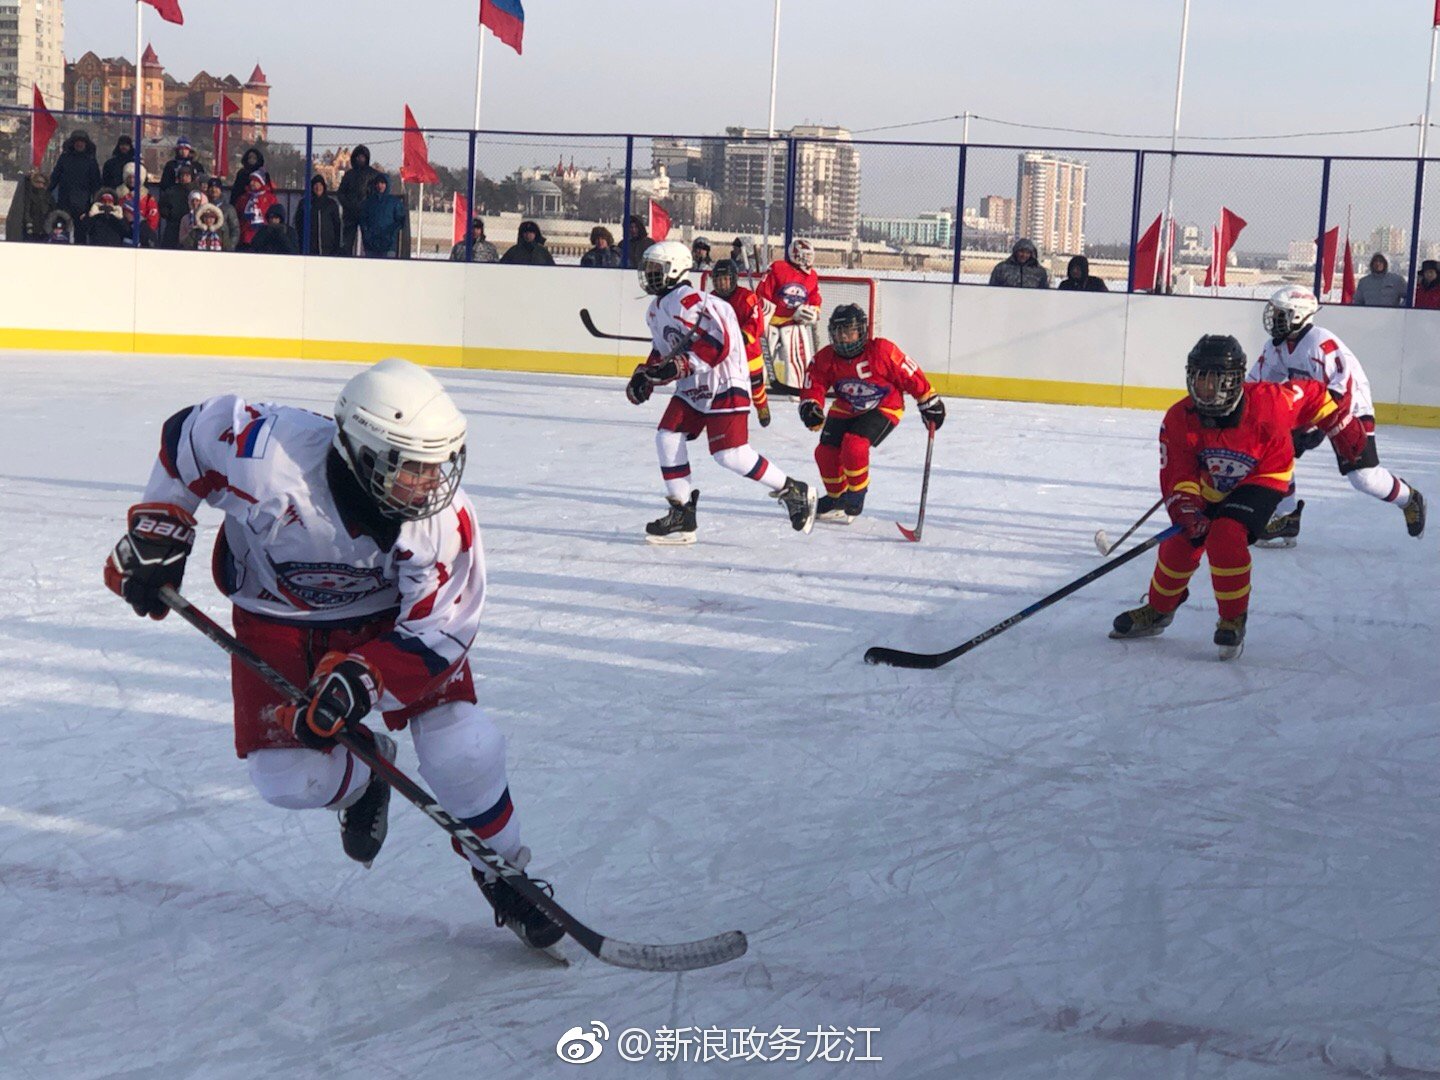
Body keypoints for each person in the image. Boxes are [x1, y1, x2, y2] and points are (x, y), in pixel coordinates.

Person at [101, 358, 566, 952]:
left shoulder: (443, 523)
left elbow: (444, 626)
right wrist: (161, 528)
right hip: (276, 619)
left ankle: (504, 872)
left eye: (439, 466)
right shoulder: (268, 454)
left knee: (464, 747)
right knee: (287, 780)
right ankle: (363, 777)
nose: (432, 485)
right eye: (413, 469)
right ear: (363, 455)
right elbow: (189, 438)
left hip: (386, 624)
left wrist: (368, 677)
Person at [1110, 335, 1370, 659]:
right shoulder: (1179, 418)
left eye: (1216, 381)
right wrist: (1186, 507)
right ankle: (1160, 609)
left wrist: (1342, 427)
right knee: (1180, 540)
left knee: (1226, 534)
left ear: (1235, 382)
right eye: (1200, 379)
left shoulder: (1271, 402)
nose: (1206, 389)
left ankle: (1232, 617)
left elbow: (1316, 396)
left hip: (1263, 475)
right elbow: (1179, 473)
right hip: (1213, 482)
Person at [625, 239, 816, 543]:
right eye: (647, 269)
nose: (648, 275)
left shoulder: (692, 300)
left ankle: (793, 490)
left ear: (674, 269)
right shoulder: (655, 310)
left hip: (725, 380)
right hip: (694, 385)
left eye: (655, 269)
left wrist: (677, 367)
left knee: (730, 455)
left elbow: (719, 341)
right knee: (667, 435)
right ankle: (683, 514)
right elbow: (665, 351)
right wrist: (646, 376)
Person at [1246, 285, 1424, 543]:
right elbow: (1258, 386)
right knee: (1273, 443)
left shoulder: (1320, 343)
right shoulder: (1277, 347)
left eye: (1280, 314)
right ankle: (1286, 517)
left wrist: (1317, 428)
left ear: (1298, 315)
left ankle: (1408, 498)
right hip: (1312, 405)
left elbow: (1343, 391)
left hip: (1349, 408)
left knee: (1363, 477)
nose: (1273, 319)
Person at [799, 304, 945, 523]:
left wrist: (928, 400)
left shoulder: (881, 351)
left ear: (862, 331)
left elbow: (909, 374)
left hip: (884, 405)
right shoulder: (825, 357)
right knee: (824, 452)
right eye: (838, 333)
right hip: (847, 405)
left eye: (849, 331)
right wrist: (811, 405)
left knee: (854, 445)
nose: (843, 338)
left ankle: (856, 493)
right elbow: (814, 383)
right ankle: (837, 497)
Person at [708, 258, 770, 427]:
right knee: (720, 384)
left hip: (749, 351)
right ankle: (719, 412)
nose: (722, 284)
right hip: (724, 352)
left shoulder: (747, 297)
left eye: (725, 279)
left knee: (756, 385)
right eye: (718, 280)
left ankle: (762, 405)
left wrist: (744, 335)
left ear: (733, 279)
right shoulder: (711, 299)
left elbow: (756, 321)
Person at [756, 237, 823, 390]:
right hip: (771, 322)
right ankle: (753, 388)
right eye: (804, 255)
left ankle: (798, 388)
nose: (807, 260)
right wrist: (763, 321)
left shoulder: (811, 276)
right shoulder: (778, 268)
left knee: (798, 356)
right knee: (759, 357)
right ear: (794, 254)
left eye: (809, 256)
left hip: (792, 322)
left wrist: (814, 310)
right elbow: (762, 294)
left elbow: (814, 297)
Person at [47, 130, 102, 227]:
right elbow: (55, 177)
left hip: (83, 204)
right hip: (64, 201)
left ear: (86, 144)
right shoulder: (64, 158)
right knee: (62, 229)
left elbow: (95, 183)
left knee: (80, 232)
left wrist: (96, 201)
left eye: (82, 142)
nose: (79, 144)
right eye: (77, 142)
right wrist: (46, 190)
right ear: (72, 144)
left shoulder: (91, 161)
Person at [337, 145, 379, 255]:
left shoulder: (373, 174)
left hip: (366, 214)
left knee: (369, 243)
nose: (360, 159)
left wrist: (369, 206)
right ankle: (346, 262)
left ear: (366, 158)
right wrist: (348, 205)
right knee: (347, 243)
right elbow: (341, 193)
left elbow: (377, 193)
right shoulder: (349, 174)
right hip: (350, 213)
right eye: (358, 157)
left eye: (362, 157)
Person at [359, 173, 407, 258]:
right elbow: (363, 220)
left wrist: (390, 233)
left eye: (383, 183)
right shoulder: (368, 202)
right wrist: (367, 233)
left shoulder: (394, 202)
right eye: (378, 183)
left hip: (388, 245)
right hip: (371, 244)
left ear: (387, 184)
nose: (380, 185)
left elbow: (400, 221)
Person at [296, 174, 344, 256]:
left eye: (320, 185)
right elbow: (298, 223)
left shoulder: (331, 204)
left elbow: (337, 225)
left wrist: (336, 245)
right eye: (316, 185)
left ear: (324, 187)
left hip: (328, 248)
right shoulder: (304, 203)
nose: (318, 188)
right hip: (309, 247)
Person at [158, 162, 201, 249]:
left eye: (187, 176)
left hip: (191, 226)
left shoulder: (197, 192)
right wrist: (168, 213)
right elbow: (162, 205)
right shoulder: (171, 191)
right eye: (182, 175)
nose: (184, 178)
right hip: (173, 226)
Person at [5, 171, 54, 243]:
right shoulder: (28, 195)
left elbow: (52, 212)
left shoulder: (49, 197)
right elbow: (26, 211)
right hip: (30, 230)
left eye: (43, 183)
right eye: (38, 182)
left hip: (44, 230)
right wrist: (29, 223)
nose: (40, 184)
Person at [237, 170, 279, 249]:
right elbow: (238, 215)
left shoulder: (271, 198)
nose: (251, 183)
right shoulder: (243, 198)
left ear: (261, 182)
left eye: (255, 181)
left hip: (264, 237)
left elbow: (275, 216)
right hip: (245, 237)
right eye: (251, 180)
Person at [203, 176, 241, 251]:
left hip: (223, 247)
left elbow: (235, 229)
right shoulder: (203, 208)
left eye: (216, 187)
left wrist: (230, 246)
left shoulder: (229, 209)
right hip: (205, 246)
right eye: (211, 188)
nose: (213, 190)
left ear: (221, 190)